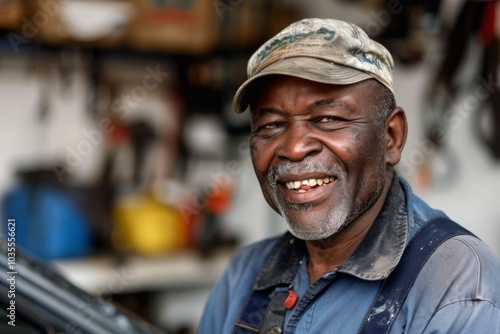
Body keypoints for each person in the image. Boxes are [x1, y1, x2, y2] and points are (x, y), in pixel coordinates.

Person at [199, 18, 500, 334]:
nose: (295, 147)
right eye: (271, 124)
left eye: (328, 118)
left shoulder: (456, 283)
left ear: (391, 137)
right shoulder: (245, 274)